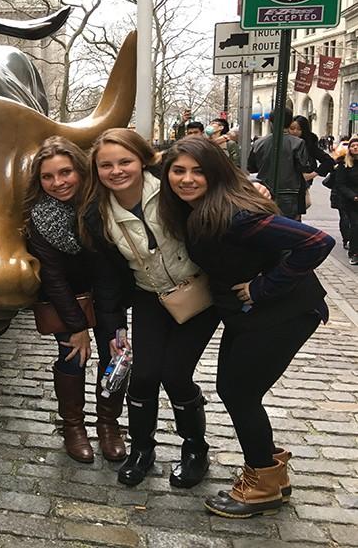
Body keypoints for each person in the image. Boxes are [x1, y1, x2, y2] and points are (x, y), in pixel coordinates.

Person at [159, 136, 332, 518]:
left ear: (215, 173)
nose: (187, 179)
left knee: (239, 393)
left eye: (198, 171)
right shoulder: (197, 208)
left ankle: (263, 484)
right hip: (247, 315)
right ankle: (270, 470)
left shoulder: (236, 215)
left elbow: (317, 241)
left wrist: (262, 287)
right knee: (232, 389)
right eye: (178, 170)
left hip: (284, 313)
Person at [79, 128, 220, 489]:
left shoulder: (173, 188)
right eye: (106, 165)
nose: (116, 171)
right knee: (142, 377)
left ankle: (194, 450)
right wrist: (113, 331)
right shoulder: (97, 213)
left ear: (143, 159)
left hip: (199, 292)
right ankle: (142, 450)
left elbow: (223, 196)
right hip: (149, 295)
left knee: (175, 375)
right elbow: (107, 279)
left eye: (125, 161)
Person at [22, 137, 126, 464]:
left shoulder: (104, 202)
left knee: (117, 355)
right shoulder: (39, 217)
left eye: (65, 172)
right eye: (48, 177)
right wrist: (77, 326)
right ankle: (73, 427)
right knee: (72, 356)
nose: (58, 183)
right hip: (65, 297)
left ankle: (109, 425)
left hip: (109, 293)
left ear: (81, 171)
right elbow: (52, 277)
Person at [247, 108, 310, 219]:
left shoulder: (258, 143)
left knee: (267, 223)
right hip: (290, 192)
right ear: (290, 122)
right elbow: (303, 166)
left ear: (270, 121)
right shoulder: (298, 143)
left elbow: (251, 167)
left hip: (264, 189)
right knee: (288, 226)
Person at [289, 115, 334, 217]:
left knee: (302, 206)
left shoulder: (308, 144)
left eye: (299, 129)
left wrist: (312, 174)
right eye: (292, 128)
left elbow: (328, 161)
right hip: (285, 182)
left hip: (301, 183)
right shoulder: (283, 142)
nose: (295, 131)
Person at [333, 138, 358, 265]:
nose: (355, 148)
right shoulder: (344, 164)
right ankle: (354, 253)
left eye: (357, 146)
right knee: (355, 225)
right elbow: (340, 184)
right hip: (351, 202)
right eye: (353, 146)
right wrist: (353, 196)